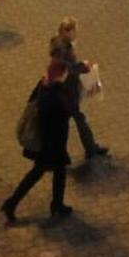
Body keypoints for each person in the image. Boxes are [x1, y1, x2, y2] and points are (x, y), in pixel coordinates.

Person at [0, 59, 76, 223]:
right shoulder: (54, 96)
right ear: (61, 75)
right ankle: (13, 203)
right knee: (41, 172)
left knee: (53, 172)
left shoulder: (43, 85)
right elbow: (65, 113)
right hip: (51, 144)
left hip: (47, 142)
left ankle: (56, 204)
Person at [50, 16, 109, 160]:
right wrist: (83, 67)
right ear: (67, 32)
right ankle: (87, 149)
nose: (76, 33)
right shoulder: (63, 49)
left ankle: (89, 148)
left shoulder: (59, 45)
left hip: (66, 91)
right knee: (73, 121)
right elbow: (69, 68)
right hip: (66, 92)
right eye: (74, 30)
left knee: (74, 121)